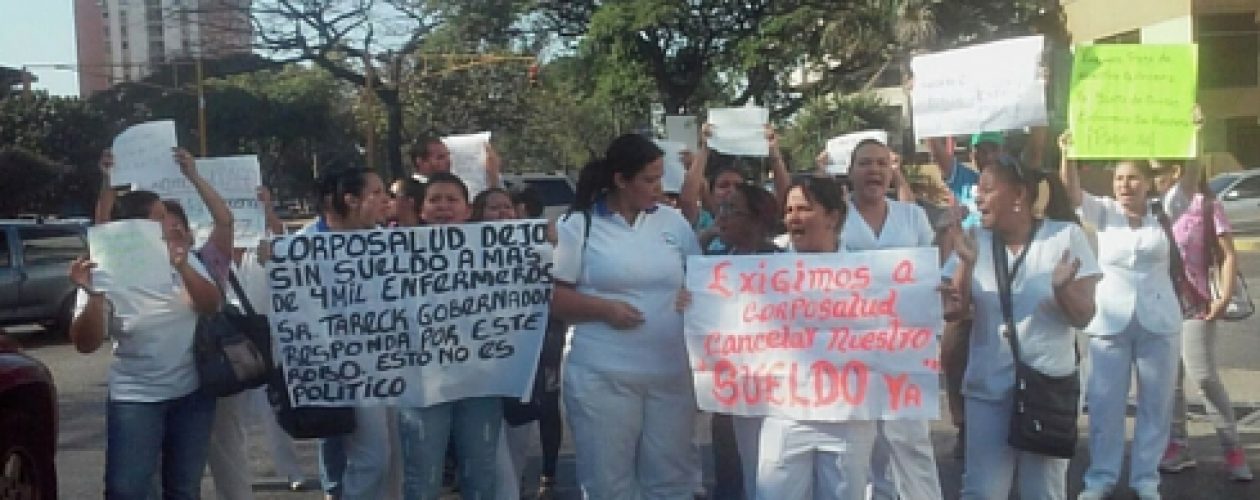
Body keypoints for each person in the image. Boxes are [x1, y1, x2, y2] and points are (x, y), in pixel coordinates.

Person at [69, 147, 230, 500]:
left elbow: (209, 305)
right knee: (127, 489)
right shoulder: (105, 268)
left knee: (184, 488)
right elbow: (85, 343)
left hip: (192, 395)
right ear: (138, 226)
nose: (171, 224)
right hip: (136, 399)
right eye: (160, 217)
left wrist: (184, 268)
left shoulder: (183, 257)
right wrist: (93, 295)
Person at [551, 134, 701, 498]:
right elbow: (554, 298)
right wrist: (604, 309)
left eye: (661, 178)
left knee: (671, 478)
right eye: (649, 180)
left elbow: (701, 276)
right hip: (603, 376)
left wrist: (693, 295)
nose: (658, 188)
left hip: (671, 374)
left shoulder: (672, 222)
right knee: (608, 482)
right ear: (620, 180)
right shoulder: (578, 225)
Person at [944, 153, 1100, 500]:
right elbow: (953, 310)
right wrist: (965, 266)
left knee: (1043, 492)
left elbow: (1084, 317)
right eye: (976, 191)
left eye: (986, 189)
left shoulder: (1065, 237)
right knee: (982, 491)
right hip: (989, 386)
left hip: (1047, 386)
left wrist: (1062, 289)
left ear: (1018, 196)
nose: (977, 198)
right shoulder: (973, 238)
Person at [1060, 132, 1200, 500]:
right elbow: (1071, 193)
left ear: (1148, 183)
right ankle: (1100, 477)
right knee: (1105, 402)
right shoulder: (1105, 211)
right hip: (1109, 320)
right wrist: (1068, 152)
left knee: (1156, 403)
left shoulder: (1163, 210)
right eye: (1119, 178)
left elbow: (1190, 179)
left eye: (1133, 177)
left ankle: (1146, 478)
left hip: (1159, 320)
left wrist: (1194, 136)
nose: (1125, 184)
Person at [755, 176, 874, 500]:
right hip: (785, 413)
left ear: (832, 216)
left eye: (804, 208)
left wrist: (928, 296)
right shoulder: (763, 269)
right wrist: (695, 301)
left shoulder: (871, 271)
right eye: (789, 209)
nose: (793, 216)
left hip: (848, 416)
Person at [838, 139, 943, 500]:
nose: (875, 171)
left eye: (882, 163)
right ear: (850, 171)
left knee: (911, 438)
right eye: (866, 163)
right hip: (849, 346)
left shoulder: (912, 216)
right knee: (860, 442)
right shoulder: (835, 216)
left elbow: (932, 270)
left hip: (904, 347)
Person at [397, 172, 504, 499]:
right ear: (422, 209)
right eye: (435, 200)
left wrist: (549, 240)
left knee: (480, 473)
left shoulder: (496, 249)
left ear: (468, 209)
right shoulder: (393, 251)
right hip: (423, 382)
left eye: (451, 200)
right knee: (423, 475)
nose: (443, 207)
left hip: (481, 380)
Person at [305, 167, 400, 500]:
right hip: (347, 369)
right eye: (377, 193)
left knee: (394, 459)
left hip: (391, 362)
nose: (386, 200)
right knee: (371, 458)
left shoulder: (388, 241)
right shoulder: (304, 246)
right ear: (351, 200)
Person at [1154, 165, 1254, 481]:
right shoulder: (1154, 208)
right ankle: (1177, 444)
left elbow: (1228, 255)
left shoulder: (1202, 204)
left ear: (1177, 170)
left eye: (1159, 171)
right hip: (1159, 306)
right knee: (1170, 380)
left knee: (1204, 376)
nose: (1155, 178)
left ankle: (1232, 449)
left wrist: (1223, 297)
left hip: (1196, 303)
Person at [703, 182, 781, 500]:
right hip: (730, 393)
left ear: (757, 220)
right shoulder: (714, 265)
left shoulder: (783, 264)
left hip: (774, 395)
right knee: (730, 468)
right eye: (720, 209)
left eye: (731, 211)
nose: (721, 218)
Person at [410, 136, 503, 189]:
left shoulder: (452, 184)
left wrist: (492, 175)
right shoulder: (414, 188)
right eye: (440, 157)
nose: (448, 161)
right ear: (421, 161)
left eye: (448, 155)